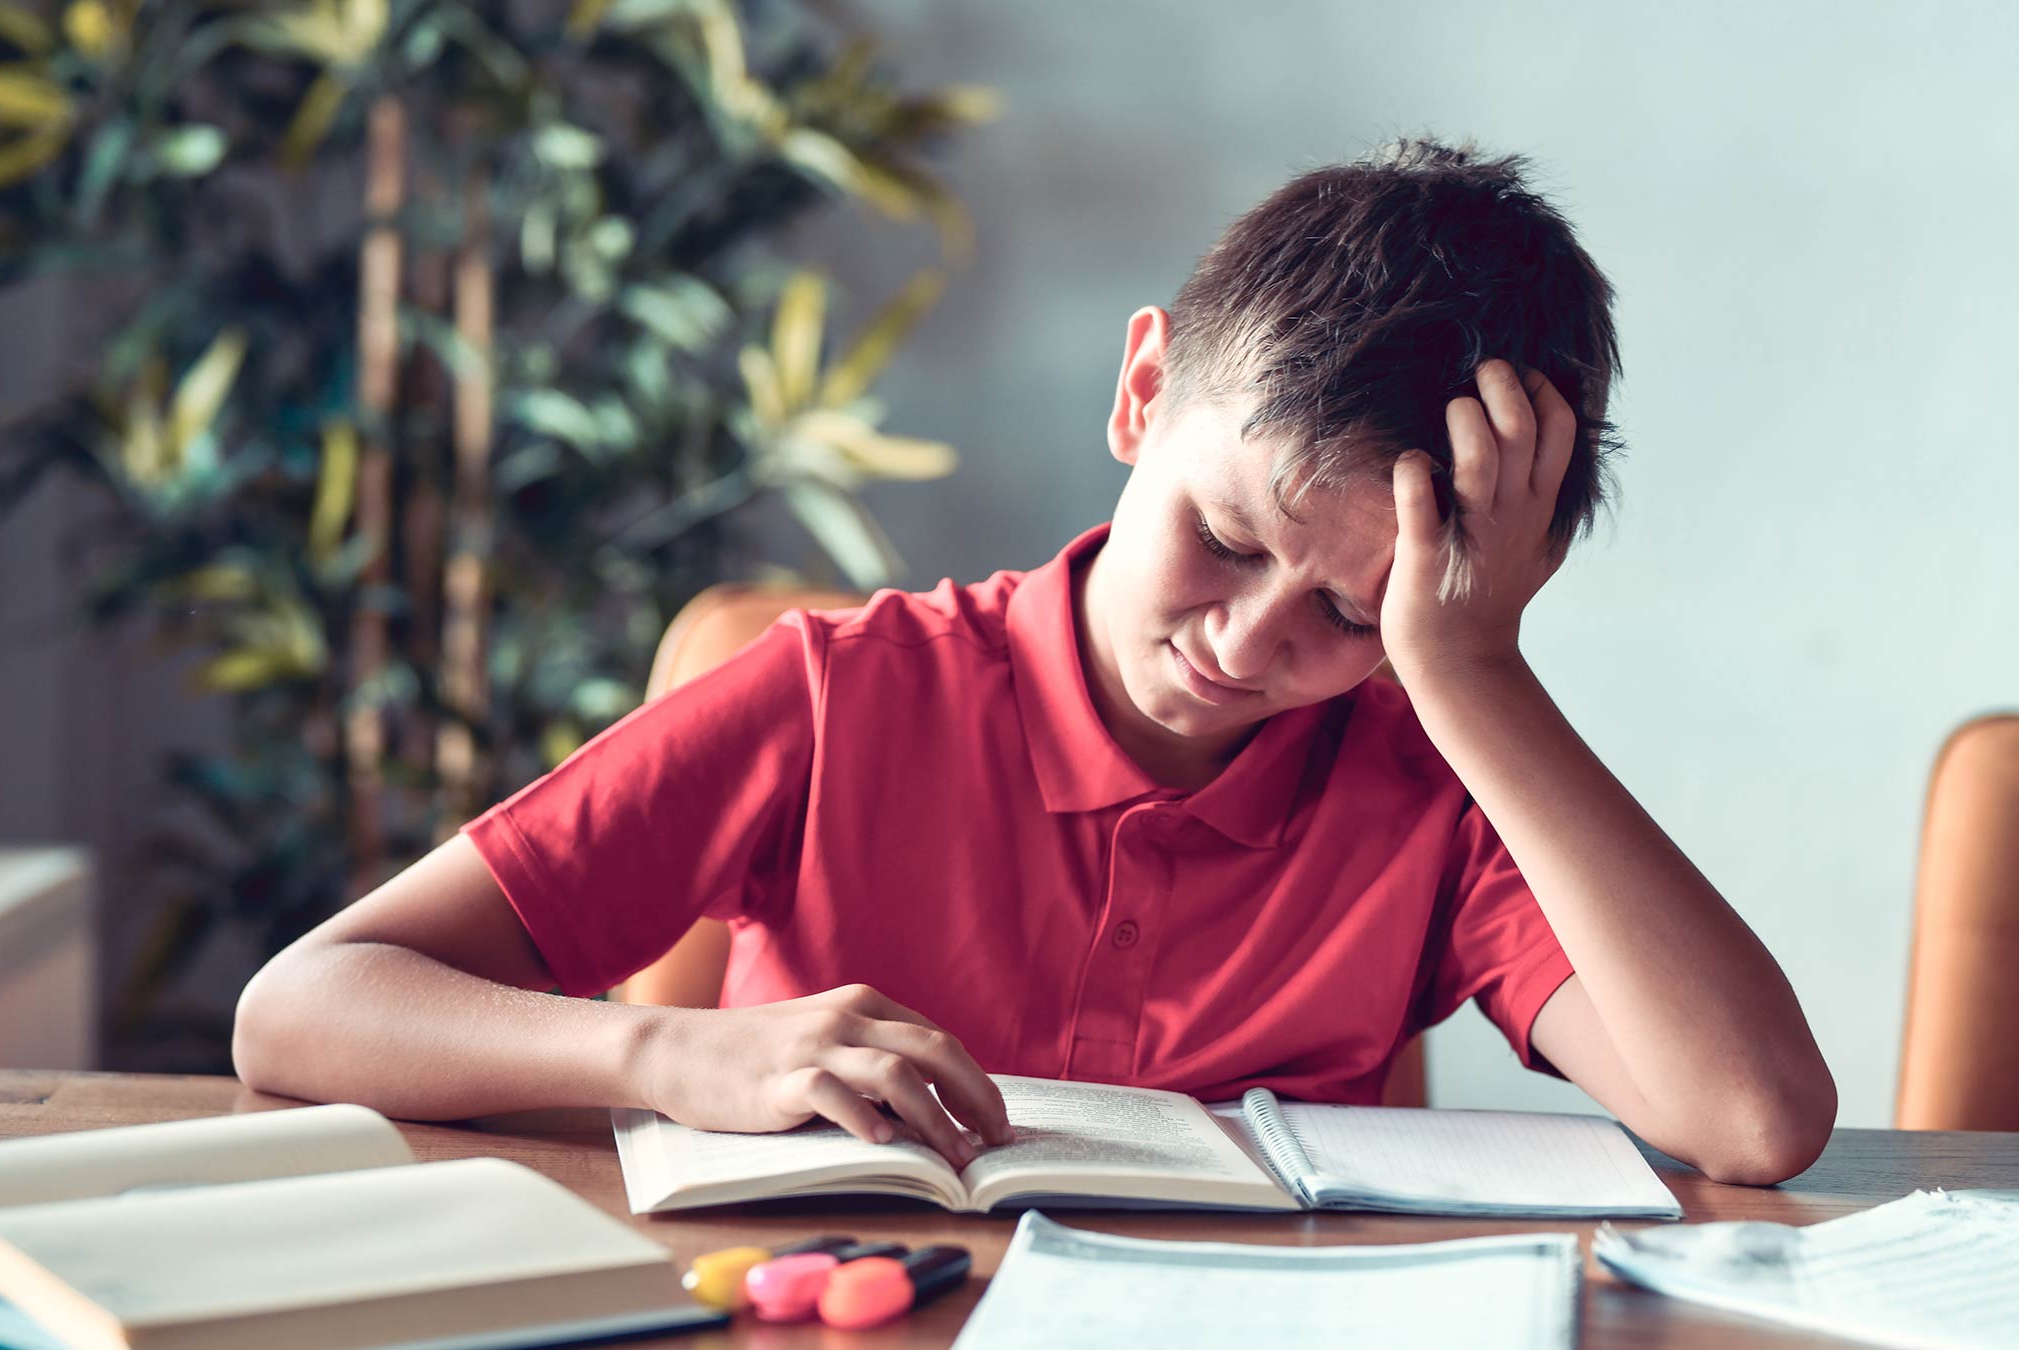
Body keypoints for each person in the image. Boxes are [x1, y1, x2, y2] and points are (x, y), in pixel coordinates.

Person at [232, 137, 1835, 1185]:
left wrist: (1470, 670)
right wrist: (667, 1048)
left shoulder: (1428, 772)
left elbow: (1753, 1119)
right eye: (1223, 534)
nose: (1250, 642)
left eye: (1355, 614)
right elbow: (300, 1008)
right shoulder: (836, 702)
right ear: (1145, 390)